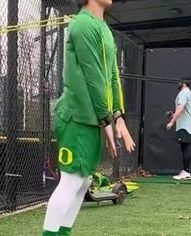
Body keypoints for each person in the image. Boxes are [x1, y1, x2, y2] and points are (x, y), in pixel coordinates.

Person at [42, 0, 135, 235]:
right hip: (76, 117)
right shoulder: (82, 25)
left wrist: (119, 117)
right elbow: (93, 77)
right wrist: (107, 122)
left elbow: (112, 77)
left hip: (93, 118)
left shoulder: (104, 28)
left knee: (83, 183)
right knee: (71, 181)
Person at [166, 77, 191, 180]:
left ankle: (186, 172)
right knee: (184, 147)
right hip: (186, 125)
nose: (177, 83)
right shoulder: (188, 93)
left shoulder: (183, 93)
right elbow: (182, 110)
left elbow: (181, 108)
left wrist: (171, 122)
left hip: (185, 126)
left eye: (179, 82)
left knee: (185, 147)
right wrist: (174, 115)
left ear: (184, 83)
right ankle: (185, 171)